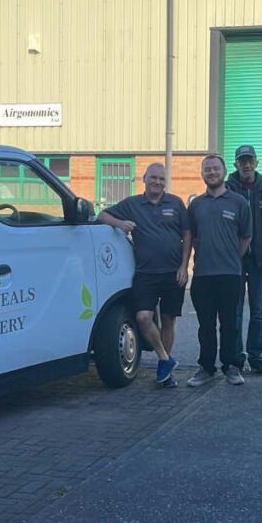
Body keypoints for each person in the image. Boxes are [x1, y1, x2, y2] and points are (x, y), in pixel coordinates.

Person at [97, 163, 190, 387]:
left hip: (172, 272)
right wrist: (120, 223)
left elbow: (187, 234)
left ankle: (165, 372)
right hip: (145, 274)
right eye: (153, 178)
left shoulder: (175, 203)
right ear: (144, 179)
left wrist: (184, 266)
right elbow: (102, 215)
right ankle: (165, 359)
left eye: (161, 179)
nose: (158, 182)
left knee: (168, 320)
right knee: (143, 318)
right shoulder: (132, 204)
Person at [187, 154, 253, 387]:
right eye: (207, 169)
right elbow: (191, 236)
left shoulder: (238, 202)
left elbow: (246, 236)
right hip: (203, 274)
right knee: (205, 325)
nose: (212, 172)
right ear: (202, 174)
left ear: (224, 172)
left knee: (229, 324)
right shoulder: (196, 205)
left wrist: (233, 257)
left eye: (216, 168)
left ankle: (231, 366)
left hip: (230, 274)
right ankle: (206, 368)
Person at [225, 145, 262, 374]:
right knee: (235, 312)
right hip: (234, 260)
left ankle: (256, 356)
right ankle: (236, 357)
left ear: (257, 163)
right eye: (242, 161)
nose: (246, 165)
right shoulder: (227, 188)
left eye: (250, 161)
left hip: (260, 261)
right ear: (236, 164)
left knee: (258, 311)